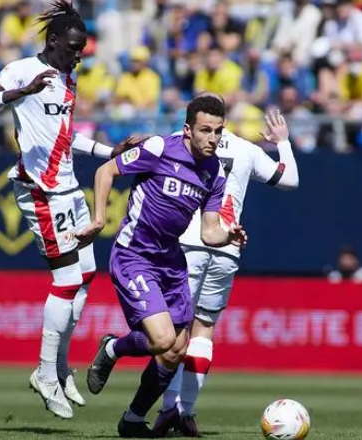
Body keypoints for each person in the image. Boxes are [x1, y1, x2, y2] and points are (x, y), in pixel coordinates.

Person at [0, 0, 115, 420]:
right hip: (40, 191)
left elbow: (65, 137)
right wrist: (22, 92)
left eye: (82, 48)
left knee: (87, 276)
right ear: (52, 41)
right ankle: (45, 373)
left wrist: (109, 150)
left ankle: (61, 366)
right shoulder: (20, 70)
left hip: (70, 190)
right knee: (66, 280)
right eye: (72, 47)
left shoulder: (70, 76)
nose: (77, 54)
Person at [80, 96, 247, 438]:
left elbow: (208, 230)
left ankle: (132, 419)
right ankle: (112, 348)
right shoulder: (159, 148)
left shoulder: (214, 172)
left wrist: (229, 235)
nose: (213, 138)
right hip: (134, 256)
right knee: (162, 339)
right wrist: (99, 218)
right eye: (205, 130)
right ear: (188, 130)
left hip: (171, 263)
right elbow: (105, 170)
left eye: (218, 131)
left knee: (175, 351)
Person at [153, 102, 300, 438]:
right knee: (203, 329)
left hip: (188, 242)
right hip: (226, 246)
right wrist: (283, 142)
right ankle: (186, 412)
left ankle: (166, 410)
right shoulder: (247, 150)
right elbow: (289, 179)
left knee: (174, 332)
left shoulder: (179, 140)